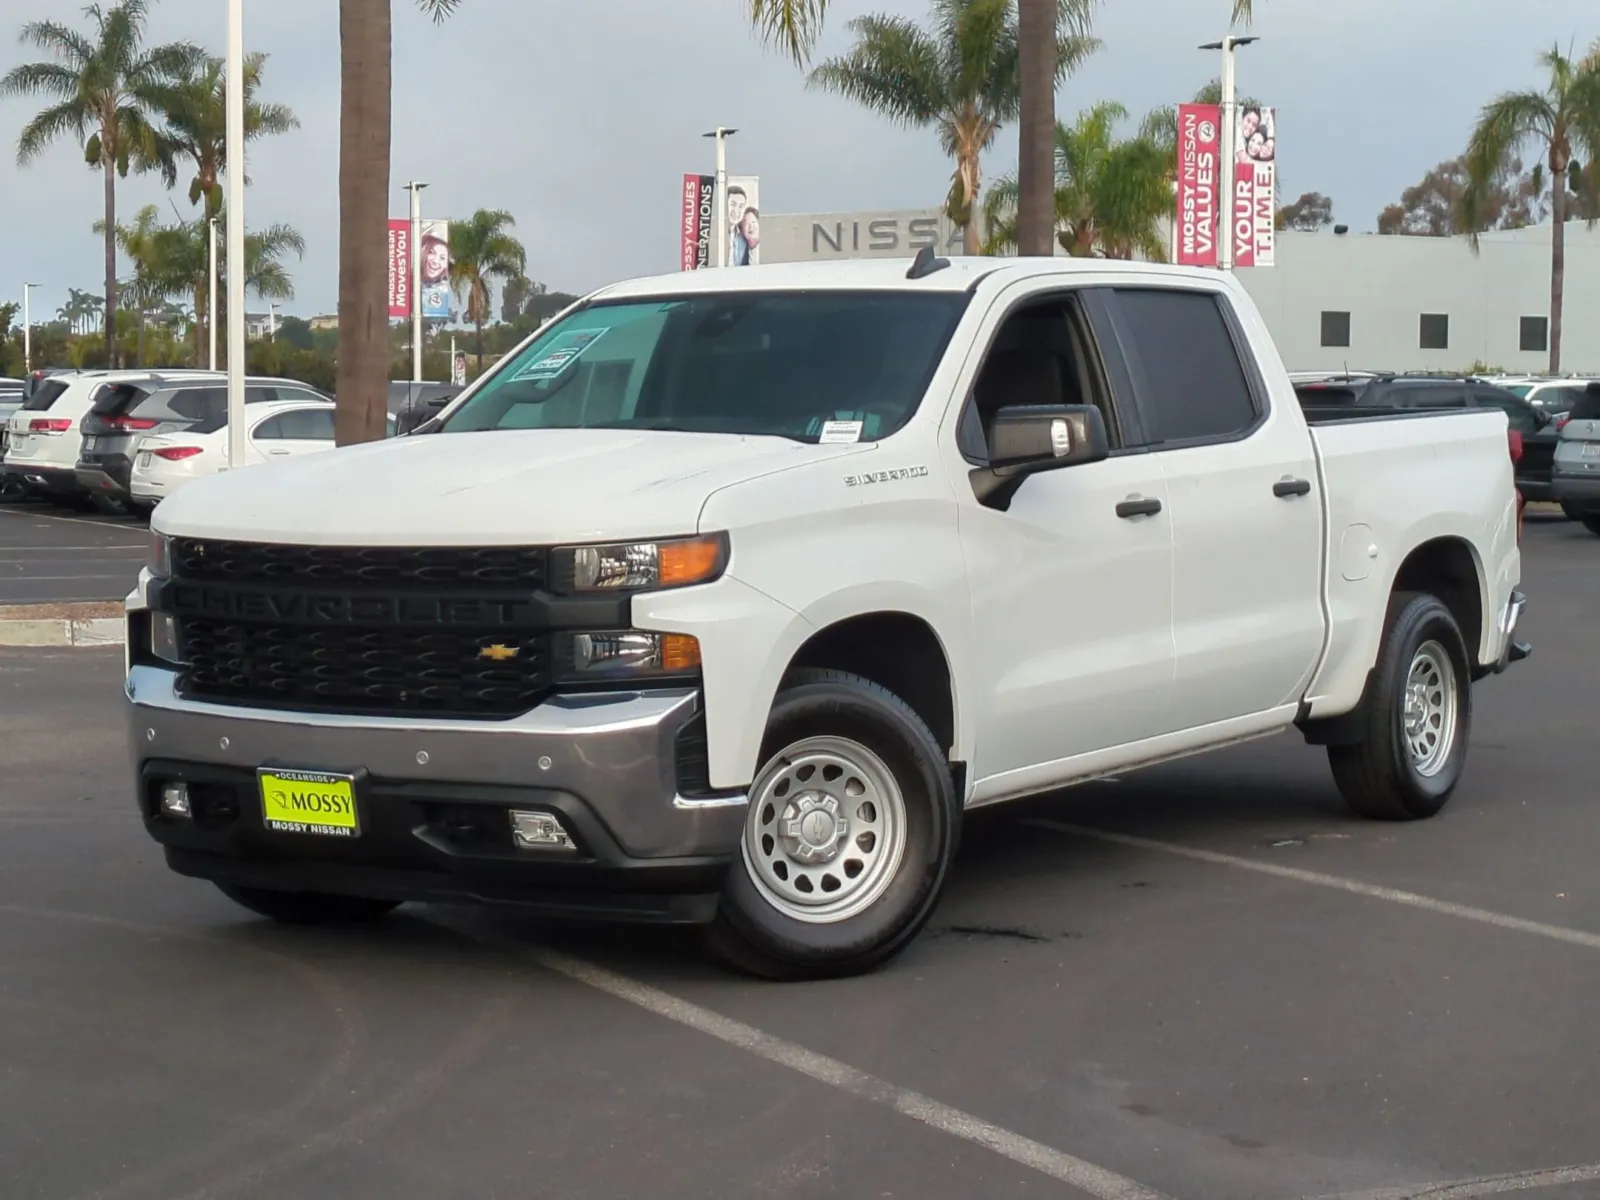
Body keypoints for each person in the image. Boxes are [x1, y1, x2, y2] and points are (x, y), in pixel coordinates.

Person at [727, 186, 750, 266]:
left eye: (741, 206)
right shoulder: (714, 235)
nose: (736, 210)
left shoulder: (744, 240)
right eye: (733, 204)